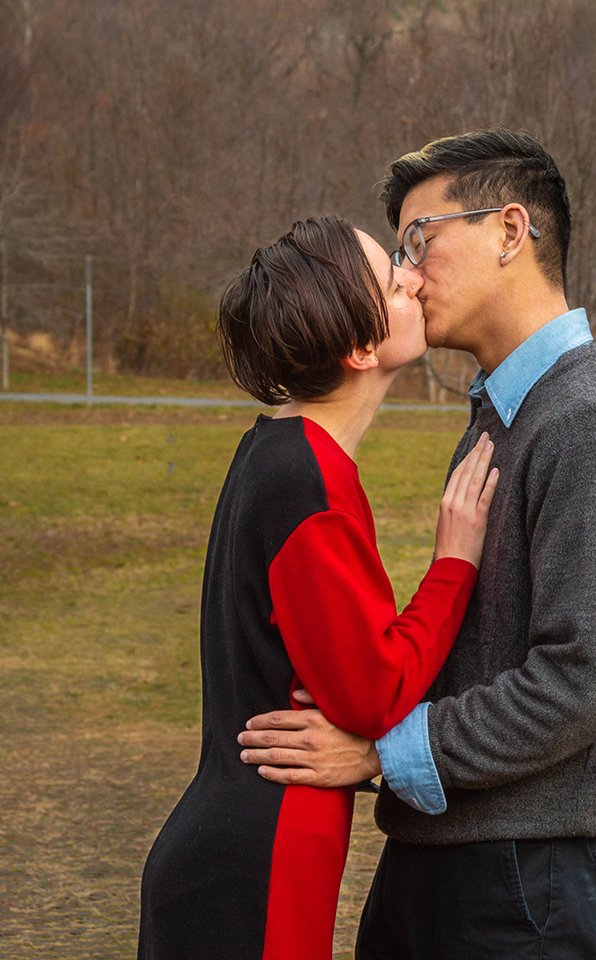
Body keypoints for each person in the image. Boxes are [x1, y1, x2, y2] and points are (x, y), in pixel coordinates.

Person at [238, 131, 596, 960]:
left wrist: (378, 750)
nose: (404, 274)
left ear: (511, 231)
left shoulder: (591, 423)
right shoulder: (505, 416)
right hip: (455, 862)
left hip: (526, 888)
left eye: (421, 240)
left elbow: (579, 686)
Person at [137, 215, 498, 960]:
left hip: (233, 846)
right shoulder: (308, 481)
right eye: (394, 279)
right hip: (255, 863)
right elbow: (373, 691)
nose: (416, 276)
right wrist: (454, 564)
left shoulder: (275, 450)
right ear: (361, 348)